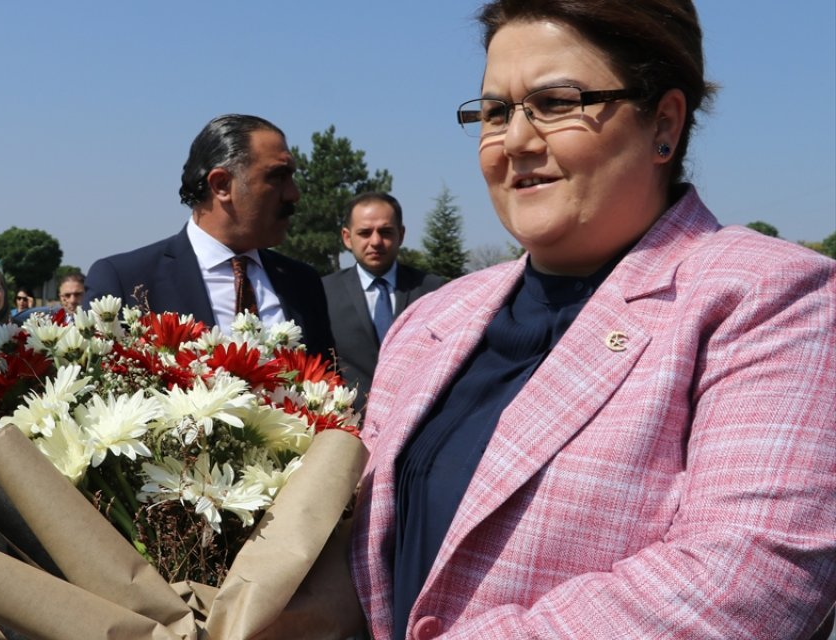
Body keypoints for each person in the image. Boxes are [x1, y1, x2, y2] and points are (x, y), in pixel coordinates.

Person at [348, 1, 836, 639]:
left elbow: (751, 576)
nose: (517, 142)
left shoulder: (766, 297)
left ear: (664, 122)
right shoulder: (432, 319)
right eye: (495, 111)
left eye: (556, 103)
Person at [84, 114, 335, 357]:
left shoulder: (303, 284)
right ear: (222, 185)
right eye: (277, 177)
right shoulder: (127, 282)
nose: (294, 194)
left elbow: (328, 384)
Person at [322, 193, 442, 412]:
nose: (375, 241)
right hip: (347, 428)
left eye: (385, 232)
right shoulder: (322, 293)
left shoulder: (434, 291)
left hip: (417, 421)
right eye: (365, 233)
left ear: (401, 234)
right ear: (347, 238)